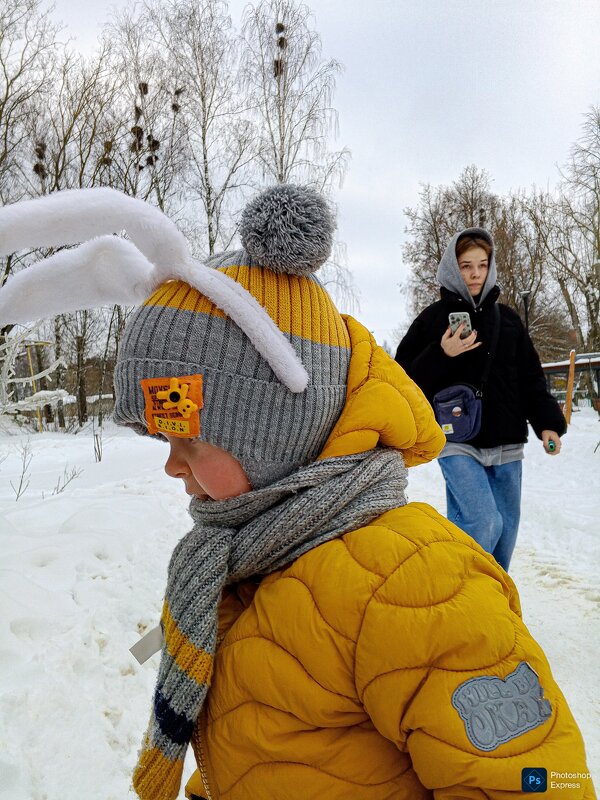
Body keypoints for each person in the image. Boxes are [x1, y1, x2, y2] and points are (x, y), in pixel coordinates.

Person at [0, 189, 592, 800]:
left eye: (190, 440)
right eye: (162, 440)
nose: (172, 466)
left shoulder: (415, 587)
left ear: (278, 432)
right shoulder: (252, 554)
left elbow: (536, 783)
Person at [395, 229, 566, 571]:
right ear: (452, 268)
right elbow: (402, 379)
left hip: (507, 442)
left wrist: (548, 423)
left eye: (482, 265)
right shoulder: (431, 321)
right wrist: (441, 354)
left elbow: (531, 378)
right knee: (483, 521)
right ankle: (462, 585)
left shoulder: (509, 321)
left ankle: (491, 596)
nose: (475, 274)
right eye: (466, 266)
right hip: (456, 440)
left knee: (504, 536)